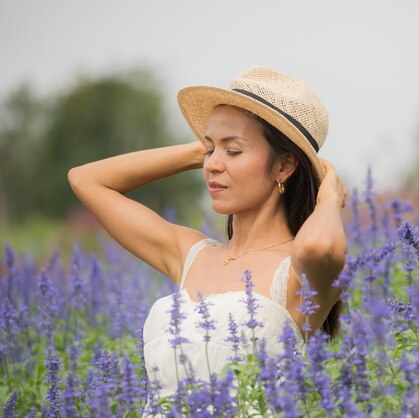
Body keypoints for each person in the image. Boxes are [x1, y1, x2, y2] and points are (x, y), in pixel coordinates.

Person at [67, 66, 347, 412]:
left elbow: (321, 246)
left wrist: (329, 195)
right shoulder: (191, 254)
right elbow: (86, 180)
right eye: (209, 150)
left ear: (283, 166)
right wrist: (204, 150)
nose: (212, 165)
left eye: (234, 151)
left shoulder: (296, 273)